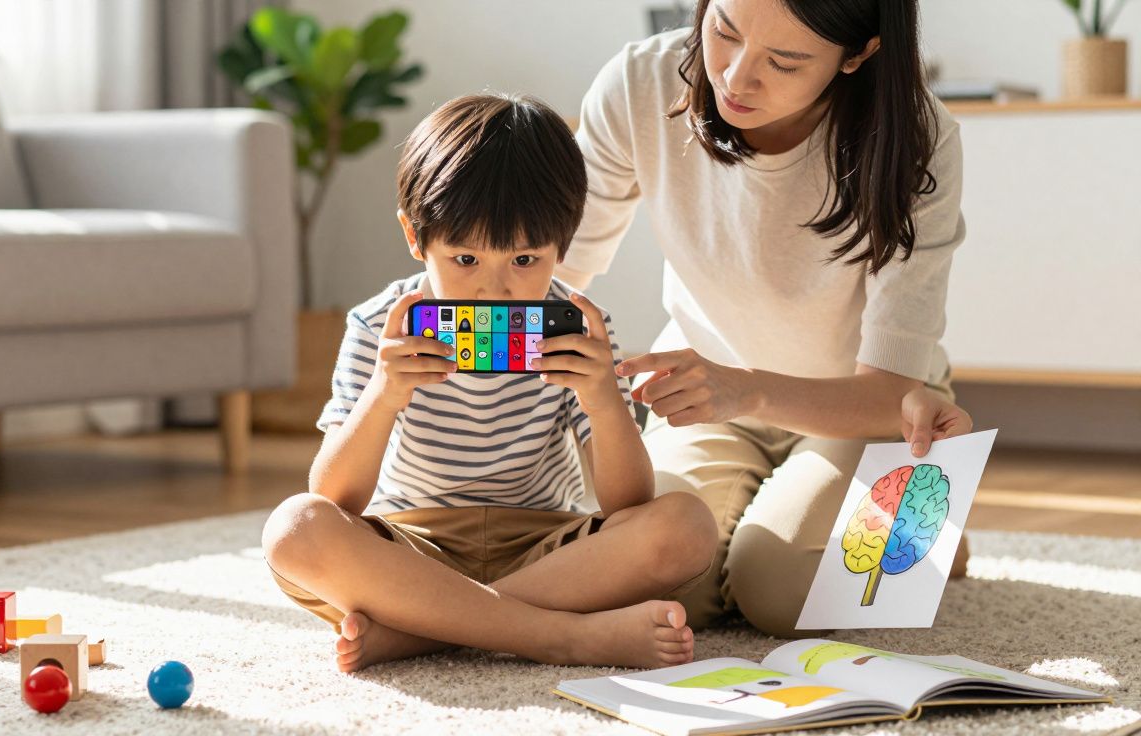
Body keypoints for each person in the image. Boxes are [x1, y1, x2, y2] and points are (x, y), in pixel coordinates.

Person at [553, 0, 975, 637]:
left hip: (866, 408)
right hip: (705, 400)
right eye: (723, 30)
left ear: (859, 54)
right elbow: (552, 269)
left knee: (778, 591)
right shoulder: (641, 82)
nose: (735, 77)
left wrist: (745, 389)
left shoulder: (916, 138)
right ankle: (813, 520)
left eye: (785, 62)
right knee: (663, 578)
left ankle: (928, 528)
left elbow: (890, 388)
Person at [262, 93, 718, 673]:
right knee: (296, 528)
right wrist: (383, 395)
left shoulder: (579, 331)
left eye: (524, 261)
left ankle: (420, 631)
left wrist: (604, 402)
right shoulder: (379, 326)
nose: (494, 290)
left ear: (564, 244)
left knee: (685, 526)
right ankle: (560, 637)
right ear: (415, 237)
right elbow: (334, 497)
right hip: (411, 551)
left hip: (548, 554)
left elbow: (627, 505)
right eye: (465, 260)